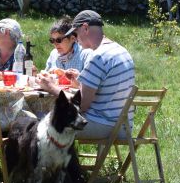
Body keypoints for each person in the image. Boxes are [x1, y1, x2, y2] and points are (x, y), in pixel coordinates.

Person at [37, 10, 135, 139]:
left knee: (38, 122)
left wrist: (51, 87)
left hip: (103, 125)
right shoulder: (121, 51)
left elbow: (81, 105)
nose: (76, 40)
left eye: (76, 34)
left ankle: (49, 159)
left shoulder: (98, 56)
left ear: (85, 28)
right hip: (124, 125)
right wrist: (79, 83)